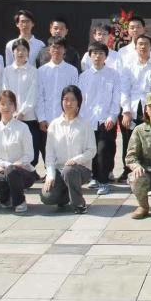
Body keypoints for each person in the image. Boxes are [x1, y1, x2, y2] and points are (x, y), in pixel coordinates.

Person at [78, 41, 124, 195]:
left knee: (104, 149)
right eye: (94, 53)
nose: (97, 56)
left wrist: (112, 116)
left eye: (101, 53)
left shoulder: (113, 75)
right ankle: (95, 177)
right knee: (92, 150)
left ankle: (104, 182)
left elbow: (116, 97)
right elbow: (81, 100)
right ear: (89, 56)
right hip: (88, 119)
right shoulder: (83, 76)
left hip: (106, 119)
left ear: (106, 56)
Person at [41, 85, 96, 213]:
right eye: (65, 99)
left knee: (69, 171)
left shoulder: (85, 124)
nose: (69, 103)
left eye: (73, 100)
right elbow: (49, 154)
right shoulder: (54, 125)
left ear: (79, 102)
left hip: (81, 169)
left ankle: (79, 204)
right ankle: (65, 195)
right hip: (60, 170)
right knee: (47, 197)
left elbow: (92, 150)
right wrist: (50, 176)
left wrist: (76, 160)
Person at [0, 90, 36, 213]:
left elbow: (30, 154)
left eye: (10, 103)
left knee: (12, 172)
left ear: (15, 107)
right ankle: (5, 197)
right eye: (3, 104)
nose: (6, 107)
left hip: (23, 171)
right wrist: (3, 165)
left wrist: (16, 165)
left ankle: (20, 201)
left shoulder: (23, 128)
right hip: (3, 170)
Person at [119, 35, 151, 182]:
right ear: (136, 48)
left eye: (146, 44)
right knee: (129, 141)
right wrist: (126, 112)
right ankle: (128, 170)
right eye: (140, 44)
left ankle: (148, 172)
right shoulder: (128, 67)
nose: (143, 47)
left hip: (150, 108)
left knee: (149, 141)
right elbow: (124, 90)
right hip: (133, 107)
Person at [2, 38, 40, 166]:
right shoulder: (7, 71)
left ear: (28, 52)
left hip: (28, 117)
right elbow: (5, 92)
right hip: (11, 117)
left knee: (31, 151)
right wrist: (12, 112)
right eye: (17, 50)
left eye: (24, 50)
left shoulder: (33, 71)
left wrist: (22, 112)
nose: (20, 53)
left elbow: (33, 93)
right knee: (13, 149)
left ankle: (30, 173)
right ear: (13, 52)